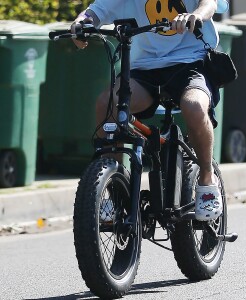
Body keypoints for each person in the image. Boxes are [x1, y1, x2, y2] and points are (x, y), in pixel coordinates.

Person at [71, 0, 229, 221]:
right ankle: (114, 188)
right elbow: (96, 12)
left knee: (193, 106)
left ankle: (206, 178)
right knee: (108, 104)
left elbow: (209, 3)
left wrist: (196, 15)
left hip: (192, 62)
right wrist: (81, 23)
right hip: (145, 68)